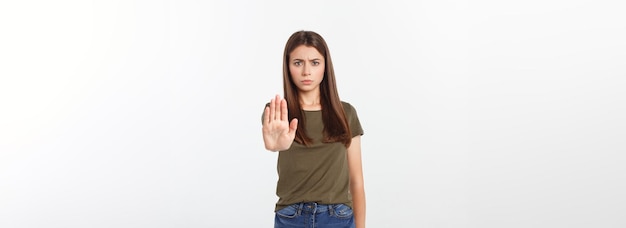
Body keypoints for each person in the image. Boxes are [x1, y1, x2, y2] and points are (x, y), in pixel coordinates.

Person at [262, 30, 366, 228]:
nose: (306, 72)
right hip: (291, 217)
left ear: (325, 66)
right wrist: (274, 146)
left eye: (315, 62)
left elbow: (356, 180)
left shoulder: (346, 113)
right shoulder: (278, 112)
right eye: (298, 63)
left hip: (338, 217)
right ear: (288, 66)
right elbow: (273, 141)